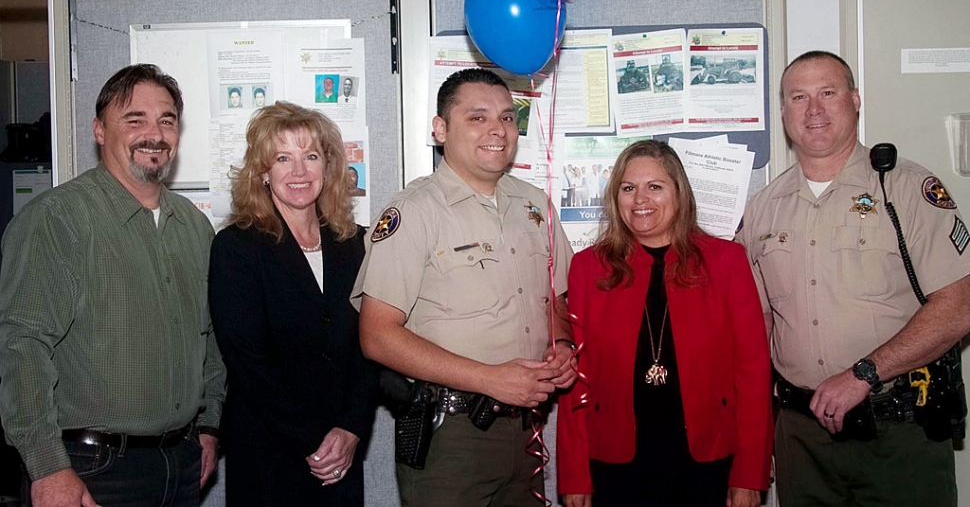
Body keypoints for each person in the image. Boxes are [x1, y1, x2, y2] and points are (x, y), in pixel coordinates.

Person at [737, 51, 970, 506]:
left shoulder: (906, 189)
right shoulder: (764, 207)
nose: (814, 109)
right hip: (802, 438)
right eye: (798, 97)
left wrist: (864, 374)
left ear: (855, 100)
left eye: (828, 93)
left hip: (897, 431)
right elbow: (757, 325)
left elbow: (958, 307)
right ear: (783, 112)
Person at [0, 64, 225, 507]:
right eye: (134, 119)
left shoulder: (195, 228)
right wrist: (47, 466)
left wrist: (208, 427)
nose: (154, 134)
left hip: (179, 464)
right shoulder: (57, 219)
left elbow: (211, 341)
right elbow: (21, 345)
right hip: (89, 470)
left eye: (167, 120)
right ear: (100, 131)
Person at [352, 67, 577, 507]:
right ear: (440, 129)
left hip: (524, 430)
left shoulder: (535, 205)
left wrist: (563, 346)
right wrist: (490, 379)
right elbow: (376, 336)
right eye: (477, 117)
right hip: (451, 435)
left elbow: (556, 300)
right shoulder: (413, 212)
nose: (497, 129)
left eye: (508, 118)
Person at [558, 140, 772, 507]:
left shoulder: (726, 262)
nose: (640, 199)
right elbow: (576, 380)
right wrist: (575, 474)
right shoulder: (587, 268)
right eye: (629, 188)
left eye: (654, 186)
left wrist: (749, 473)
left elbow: (753, 374)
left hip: (708, 460)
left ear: (679, 193)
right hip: (615, 463)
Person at [208, 102, 378, 507]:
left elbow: (373, 346)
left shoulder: (355, 243)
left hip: (343, 454)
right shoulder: (236, 247)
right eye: (283, 158)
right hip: (269, 454)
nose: (299, 171)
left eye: (310, 156)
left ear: (329, 167)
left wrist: (350, 430)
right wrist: (314, 441)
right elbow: (248, 361)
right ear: (263, 173)